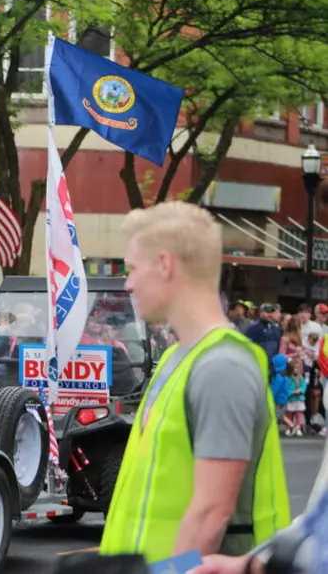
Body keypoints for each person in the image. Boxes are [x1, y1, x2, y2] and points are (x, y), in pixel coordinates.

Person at [100, 201, 290, 562]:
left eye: (133, 269)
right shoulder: (177, 358)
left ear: (166, 264)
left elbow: (210, 513)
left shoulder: (222, 367)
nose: (128, 283)